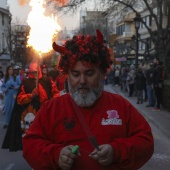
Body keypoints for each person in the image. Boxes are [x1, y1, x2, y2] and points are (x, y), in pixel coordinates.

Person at [22, 30, 154, 170]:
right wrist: (56, 155)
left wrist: (116, 151)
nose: (82, 81)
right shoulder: (52, 108)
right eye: (75, 74)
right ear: (67, 75)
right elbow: (30, 145)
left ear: (102, 73)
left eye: (89, 73)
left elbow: (146, 141)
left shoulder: (120, 105)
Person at [1, 61, 60, 151]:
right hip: (31, 115)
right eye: (33, 72)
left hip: (46, 114)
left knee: (48, 137)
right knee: (33, 138)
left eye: (37, 72)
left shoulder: (48, 81)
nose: (35, 74)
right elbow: (20, 99)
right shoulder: (25, 82)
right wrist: (31, 96)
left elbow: (56, 95)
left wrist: (51, 103)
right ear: (30, 72)